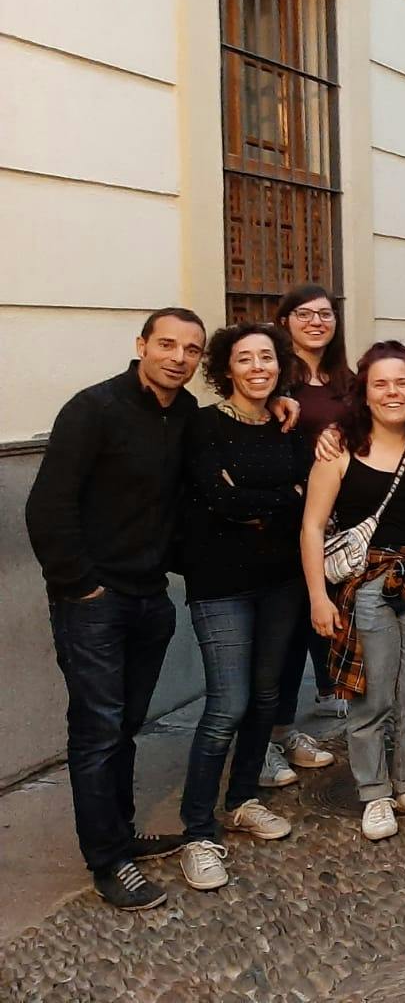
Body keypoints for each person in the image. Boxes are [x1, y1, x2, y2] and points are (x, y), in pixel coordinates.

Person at [25, 308, 208, 910]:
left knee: (125, 725)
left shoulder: (182, 414)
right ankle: (107, 861)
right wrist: (80, 585)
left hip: (148, 597)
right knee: (99, 730)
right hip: (94, 602)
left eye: (191, 349)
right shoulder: (93, 408)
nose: (178, 357)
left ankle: (120, 832)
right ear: (141, 346)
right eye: (167, 345)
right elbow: (49, 505)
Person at [174, 322, 310, 891]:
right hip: (221, 583)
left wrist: (264, 502)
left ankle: (243, 799)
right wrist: (279, 500)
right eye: (245, 358)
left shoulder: (288, 423)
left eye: (267, 358)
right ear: (225, 368)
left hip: (281, 580)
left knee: (266, 696)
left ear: (280, 364)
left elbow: (308, 490)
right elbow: (220, 499)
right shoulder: (202, 425)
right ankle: (198, 830)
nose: (258, 367)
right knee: (227, 704)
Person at [302, 341, 405, 844]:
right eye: (380, 383)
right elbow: (313, 527)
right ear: (364, 391)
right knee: (371, 697)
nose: (392, 392)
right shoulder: (341, 447)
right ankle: (374, 792)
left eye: (402, 382)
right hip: (367, 588)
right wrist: (319, 597)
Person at [266, 282, 353, 788]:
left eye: (325, 313)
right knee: (283, 633)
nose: (317, 321)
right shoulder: (275, 377)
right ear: (285, 323)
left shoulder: (345, 379)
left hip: (339, 525)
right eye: (304, 314)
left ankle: (288, 728)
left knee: (315, 626)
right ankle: (268, 740)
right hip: (288, 522)